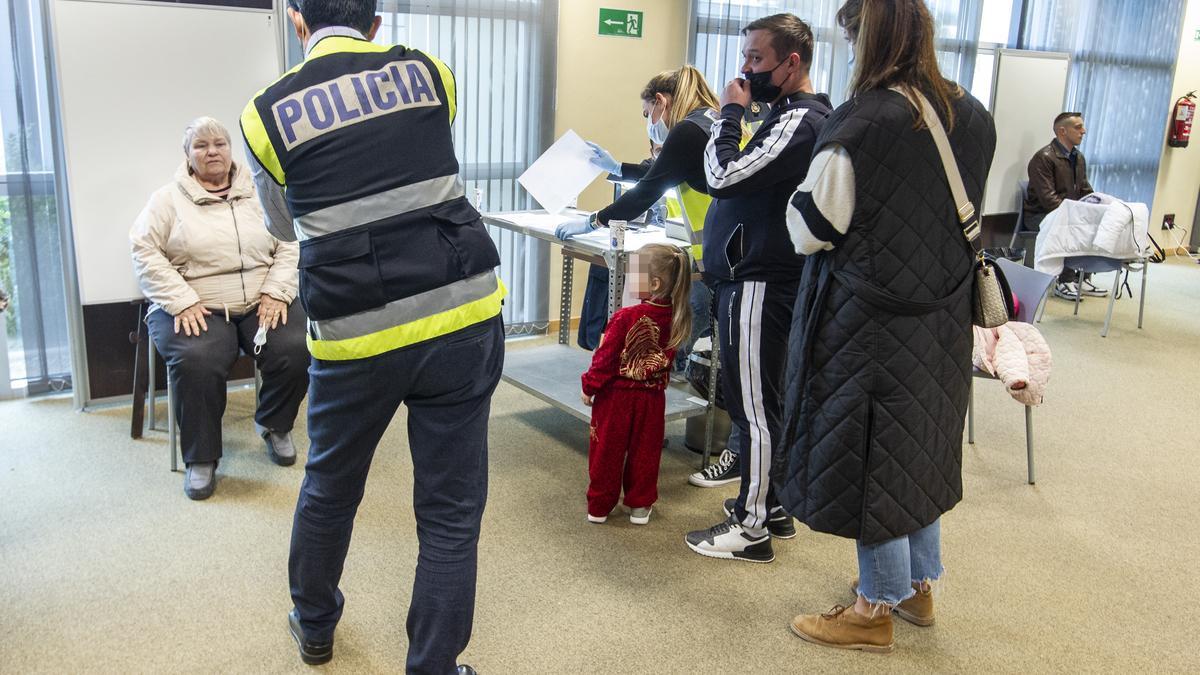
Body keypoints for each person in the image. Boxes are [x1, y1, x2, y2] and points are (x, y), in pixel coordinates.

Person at [241, 1, 504, 671]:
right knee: (451, 509)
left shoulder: (264, 114)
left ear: (299, 22)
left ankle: (316, 624)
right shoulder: (431, 73)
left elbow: (280, 222)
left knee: (330, 485)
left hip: (357, 335)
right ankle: (434, 666)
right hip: (460, 312)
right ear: (376, 23)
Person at [777, 0, 996, 653]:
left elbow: (810, 229)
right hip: (941, 319)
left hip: (868, 322)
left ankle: (872, 608)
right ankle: (916, 586)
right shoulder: (973, 113)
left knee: (873, 455)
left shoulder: (864, 119)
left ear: (866, 36)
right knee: (917, 450)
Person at [684, 13, 831, 563]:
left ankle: (751, 530)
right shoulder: (783, 116)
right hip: (752, 278)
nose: (746, 69)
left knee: (753, 409)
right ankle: (768, 506)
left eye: (757, 59)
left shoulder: (801, 120)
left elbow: (721, 177)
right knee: (761, 402)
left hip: (762, 281)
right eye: (745, 57)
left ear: (792, 63)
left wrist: (728, 115)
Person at [130, 116, 308, 501]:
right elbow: (144, 252)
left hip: (262, 297)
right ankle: (201, 458)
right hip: (196, 303)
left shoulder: (262, 191)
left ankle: (275, 425)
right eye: (201, 145)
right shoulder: (166, 200)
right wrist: (181, 300)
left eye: (220, 143)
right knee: (198, 359)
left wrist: (278, 291)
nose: (212, 151)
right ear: (188, 155)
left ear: (231, 150)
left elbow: (291, 243)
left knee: (296, 346)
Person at [556, 66, 721, 367]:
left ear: (661, 101)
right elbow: (661, 173)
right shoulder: (712, 120)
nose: (649, 122)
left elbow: (649, 190)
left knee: (695, 309)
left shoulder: (688, 129)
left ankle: (659, 370)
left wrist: (594, 221)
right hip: (730, 243)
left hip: (720, 248)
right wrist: (618, 167)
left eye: (648, 114)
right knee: (697, 310)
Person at [580, 243, 692, 525]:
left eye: (635, 274)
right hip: (652, 399)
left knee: (606, 451)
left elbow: (604, 359)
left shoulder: (624, 317)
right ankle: (640, 507)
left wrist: (589, 386)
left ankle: (599, 506)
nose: (630, 280)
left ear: (654, 283)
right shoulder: (678, 318)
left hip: (615, 399)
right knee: (646, 453)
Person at [1022, 112, 1106, 300]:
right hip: (1040, 215)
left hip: (1066, 213)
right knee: (1072, 228)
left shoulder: (1079, 157)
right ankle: (1064, 281)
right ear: (1062, 131)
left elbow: (1085, 190)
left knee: (1096, 222)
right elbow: (1048, 199)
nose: (1083, 131)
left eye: (1082, 127)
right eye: (1078, 127)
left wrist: (1096, 207)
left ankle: (1082, 277)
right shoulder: (1043, 157)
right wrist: (1075, 215)